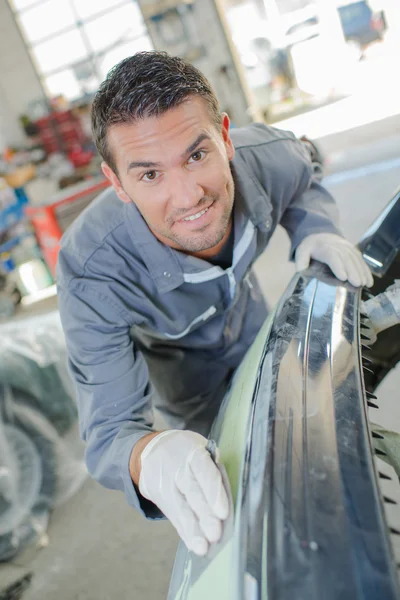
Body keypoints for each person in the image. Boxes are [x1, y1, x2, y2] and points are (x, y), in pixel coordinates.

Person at [57, 51, 373, 557]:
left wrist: (316, 231)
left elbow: (306, 177)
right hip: (184, 379)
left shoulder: (270, 156)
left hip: (252, 326)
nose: (188, 196)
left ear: (225, 136)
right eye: (150, 175)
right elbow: (110, 429)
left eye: (196, 155)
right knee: (237, 493)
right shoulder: (93, 269)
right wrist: (150, 453)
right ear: (116, 182)